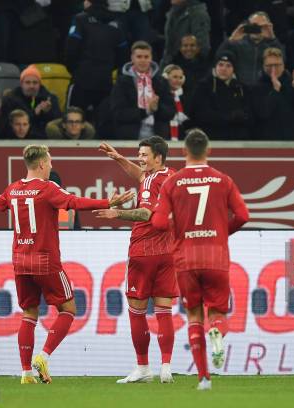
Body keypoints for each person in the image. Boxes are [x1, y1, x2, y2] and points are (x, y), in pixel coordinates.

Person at [0, 145, 132, 385]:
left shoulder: (13, 189)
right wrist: (107, 202)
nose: (51, 166)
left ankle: (26, 373)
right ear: (40, 165)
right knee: (68, 310)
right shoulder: (47, 188)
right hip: (45, 260)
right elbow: (73, 202)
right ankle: (43, 357)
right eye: (49, 162)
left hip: (20, 261)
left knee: (29, 314)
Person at [151, 128, 249, 390]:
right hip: (216, 255)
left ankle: (203, 378)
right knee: (216, 312)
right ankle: (216, 330)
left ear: (184, 152)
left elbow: (158, 222)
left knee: (194, 314)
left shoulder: (173, 182)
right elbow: (243, 216)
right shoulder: (223, 180)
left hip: (186, 258)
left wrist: (181, 230)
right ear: (208, 151)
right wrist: (220, 232)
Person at [94, 137, 178, 384]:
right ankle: (166, 367)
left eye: (144, 155)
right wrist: (119, 158)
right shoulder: (170, 175)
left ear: (158, 157)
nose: (140, 159)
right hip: (168, 251)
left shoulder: (152, 180)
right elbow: (141, 176)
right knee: (164, 310)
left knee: (136, 311)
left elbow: (146, 213)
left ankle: (142, 367)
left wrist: (117, 212)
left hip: (144, 250)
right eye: (139, 154)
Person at [110, 41, 174, 139]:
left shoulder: (162, 82)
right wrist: (146, 111)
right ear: (132, 58)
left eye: (146, 57)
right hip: (129, 138)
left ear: (151, 58)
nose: (143, 60)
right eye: (139, 57)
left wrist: (157, 108)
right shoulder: (122, 83)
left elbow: (170, 112)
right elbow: (118, 113)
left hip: (158, 140)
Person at [1, 65, 62, 139]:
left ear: (40, 84)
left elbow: (58, 122)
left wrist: (47, 113)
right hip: (16, 140)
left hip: (43, 140)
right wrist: (35, 113)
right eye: (27, 82)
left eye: (35, 83)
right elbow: (6, 125)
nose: (31, 86)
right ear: (21, 84)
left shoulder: (50, 98)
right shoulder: (11, 99)